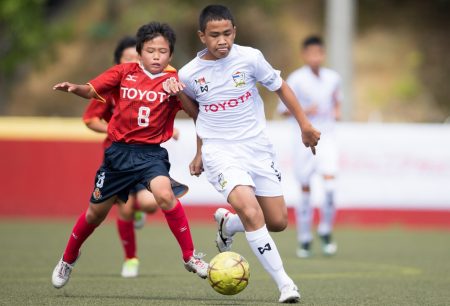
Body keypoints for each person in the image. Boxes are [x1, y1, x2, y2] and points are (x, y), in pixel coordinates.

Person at [175, 5, 320, 303]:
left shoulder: (250, 58)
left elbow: (281, 87)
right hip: (221, 152)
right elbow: (198, 115)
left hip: (257, 149)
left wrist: (305, 125)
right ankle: (286, 285)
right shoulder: (189, 74)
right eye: (214, 35)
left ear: (235, 32)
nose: (222, 40)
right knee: (253, 212)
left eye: (227, 33)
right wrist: (200, 152)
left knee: (277, 221)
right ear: (202, 36)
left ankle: (229, 224)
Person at [51, 21, 208, 290]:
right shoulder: (124, 72)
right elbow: (92, 90)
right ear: (139, 52)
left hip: (151, 155)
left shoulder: (175, 81)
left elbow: (199, 115)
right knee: (94, 215)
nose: (156, 56)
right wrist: (75, 88)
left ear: (170, 55)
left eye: (162, 51)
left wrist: (179, 96)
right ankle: (68, 259)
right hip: (118, 156)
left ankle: (190, 256)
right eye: (150, 50)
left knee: (164, 194)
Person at [82, 35, 180, 278]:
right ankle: (131, 259)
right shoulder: (113, 87)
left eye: (135, 57)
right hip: (118, 156)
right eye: (128, 59)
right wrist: (115, 128)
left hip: (145, 154)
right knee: (123, 210)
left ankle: (140, 213)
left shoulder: (156, 81)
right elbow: (90, 120)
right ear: (119, 64)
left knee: (149, 203)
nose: (134, 61)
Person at [277, 35, 341, 258]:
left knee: (331, 186)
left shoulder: (333, 78)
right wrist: (305, 112)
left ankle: (325, 230)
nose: (315, 57)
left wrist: (336, 112)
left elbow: (336, 100)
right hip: (302, 140)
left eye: (319, 53)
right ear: (304, 55)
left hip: (327, 138)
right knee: (305, 189)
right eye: (311, 53)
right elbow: (282, 109)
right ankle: (304, 238)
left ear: (323, 54)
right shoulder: (296, 79)